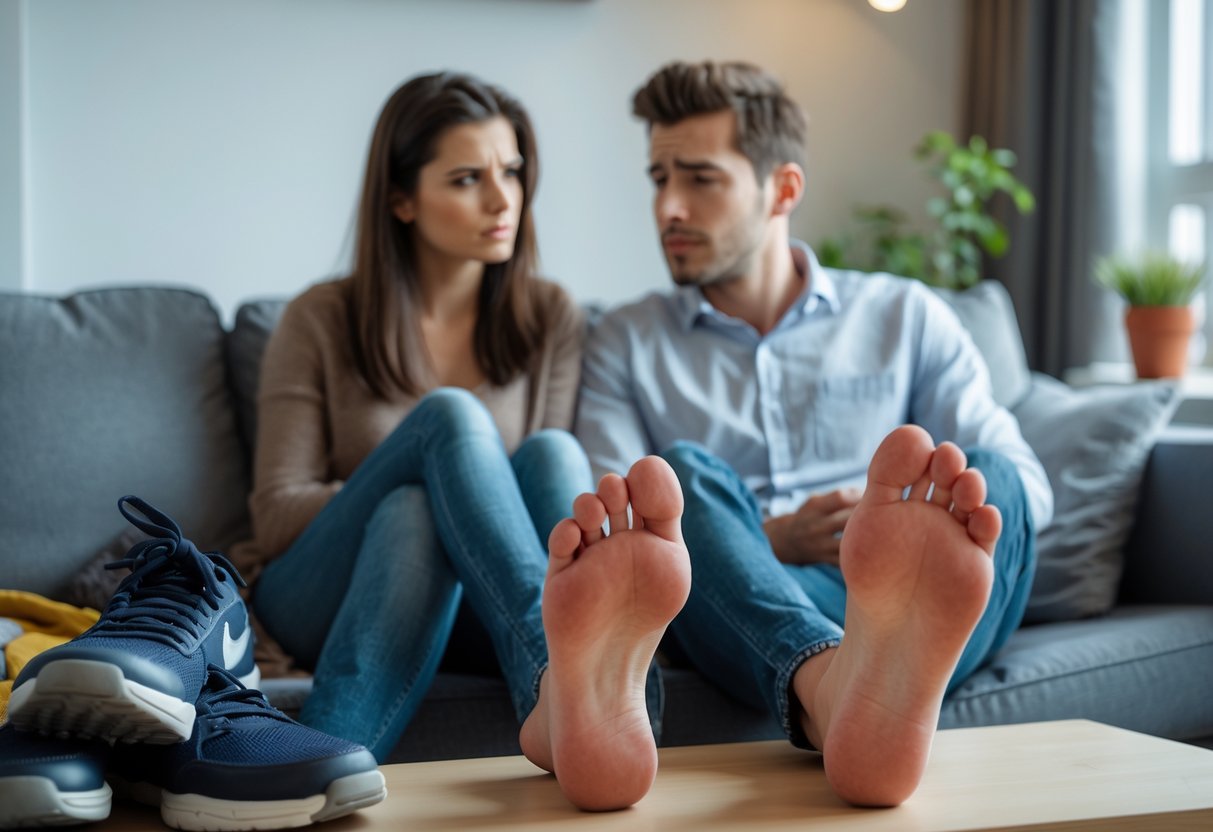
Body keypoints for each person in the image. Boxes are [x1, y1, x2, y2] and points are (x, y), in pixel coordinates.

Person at [574, 60, 1054, 807]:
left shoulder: (905, 314)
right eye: (658, 177)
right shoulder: (623, 341)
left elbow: (1033, 491)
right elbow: (619, 547)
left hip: (908, 590)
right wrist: (770, 536)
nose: (668, 204)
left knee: (998, 474)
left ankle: (876, 675)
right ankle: (838, 686)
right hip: (750, 590)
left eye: (700, 178)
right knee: (676, 478)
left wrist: (893, 525)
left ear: (783, 189)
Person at [231, 71, 688, 811]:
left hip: (479, 601)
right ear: (401, 198)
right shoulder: (319, 318)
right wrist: (429, 479)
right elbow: (276, 515)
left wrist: (450, 502)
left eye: (511, 172)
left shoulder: (549, 317)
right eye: (467, 178)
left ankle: (311, 773)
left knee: (548, 457)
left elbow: (544, 506)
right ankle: (556, 679)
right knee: (427, 467)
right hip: (326, 589)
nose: (503, 199)